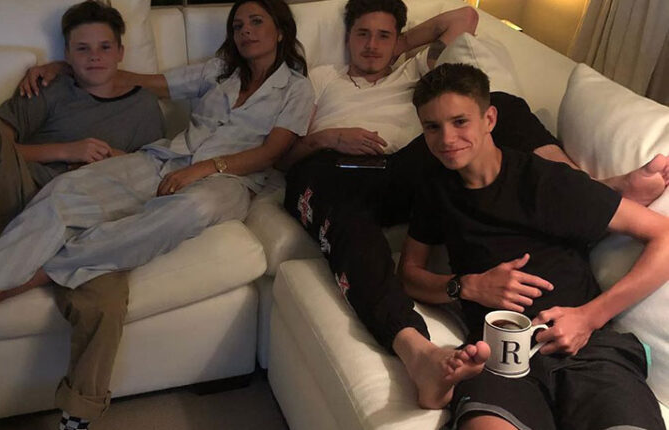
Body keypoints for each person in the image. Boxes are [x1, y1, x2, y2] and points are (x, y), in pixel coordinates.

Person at [0, 1, 314, 429]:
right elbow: (137, 80)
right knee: (66, 189)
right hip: (167, 159)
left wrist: (204, 169)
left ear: (280, 30)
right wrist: (64, 66)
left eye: (256, 22)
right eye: (238, 24)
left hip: (230, 180)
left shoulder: (296, 88)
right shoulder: (220, 70)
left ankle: (8, 283)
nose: (245, 31)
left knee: (189, 209)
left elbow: (271, 152)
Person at [279, 0, 669, 410]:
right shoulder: (322, 77)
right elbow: (285, 158)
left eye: (384, 35)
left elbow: (464, 17)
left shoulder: (414, 72)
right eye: (363, 34)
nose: (372, 45)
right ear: (347, 38)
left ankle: (591, 191)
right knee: (340, 210)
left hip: (402, 163)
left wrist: (401, 47)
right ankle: (417, 352)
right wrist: (329, 138)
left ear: (399, 39)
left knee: (500, 100)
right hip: (339, 168)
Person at [401, 62, 669, 430]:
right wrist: (466, 285)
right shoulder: (436, 191)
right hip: (498, 355)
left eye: (460, 122)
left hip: (587, 348)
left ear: (489, 119)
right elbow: (409, 275)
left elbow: (664, 235)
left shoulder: (545, 180)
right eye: (432, 127)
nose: (446, 139)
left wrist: (589, 317)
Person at [0, 0, 164, 304]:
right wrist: (66, 151)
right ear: (67, 54)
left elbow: (155, 176)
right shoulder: (49, 87)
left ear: (120, 52)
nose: (94, 56)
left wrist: (120, 163)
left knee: (103, 302)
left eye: (105, 47)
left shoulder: (144, 106)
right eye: (82, 49)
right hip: (23, 194)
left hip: (85, 214)